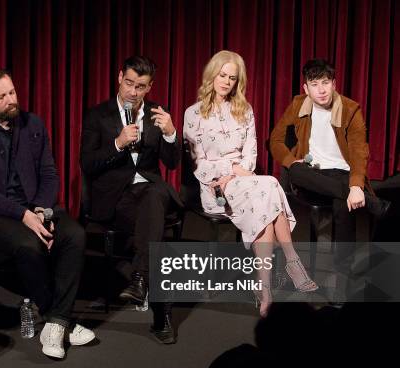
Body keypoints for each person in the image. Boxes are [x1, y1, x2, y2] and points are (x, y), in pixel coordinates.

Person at [0, 67, 95, 360]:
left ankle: (56, 323)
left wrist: (42, 211)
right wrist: (24, 215)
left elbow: (49, 172)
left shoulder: (33, 124)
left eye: (12, 92)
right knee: (28, 244)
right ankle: (55, 315)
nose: (10, 100)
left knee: (75, 235)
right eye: (1, 97)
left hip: (37, 207)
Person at [183, 50, 318, 317]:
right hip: (214, 188)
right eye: (222, 75)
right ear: (212, 75)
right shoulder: (193, 113)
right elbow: (199, 164)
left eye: (232, 78)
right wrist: (229, 169)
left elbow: (251, 156)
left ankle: (264, 289)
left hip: (244, 180)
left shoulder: (244, 110)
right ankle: (291, 262)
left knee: (265, 196)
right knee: (269, 188)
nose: (226, 82)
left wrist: (236, 171)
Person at [81, 55, 181, 343]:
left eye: (141, 87)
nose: (133, 92)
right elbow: (87, 163)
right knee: (155, 232)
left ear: (149, 87)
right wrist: (117, 143)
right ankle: (160, 315)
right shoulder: (98, 115)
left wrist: (171, 133)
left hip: (150, 194)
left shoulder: (156, 114)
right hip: (116, 197)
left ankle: (139, 279)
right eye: (129, 83)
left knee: (154, 194)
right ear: (119, 78)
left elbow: (172, 164)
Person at [269, 58, 390, 276]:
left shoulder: (350, 109)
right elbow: (275, 140)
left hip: (342, 173)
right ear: (306, 88)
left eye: (325, 83)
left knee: (345, 206)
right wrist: (289, 159)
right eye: (314, 85)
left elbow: (359, 151)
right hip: (311, 173)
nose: (321, 90)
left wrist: (355, 185)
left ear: (334, 84)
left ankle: (342, 277)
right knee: (295, 170)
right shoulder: (298, 105)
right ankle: (372, 203)